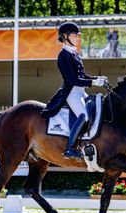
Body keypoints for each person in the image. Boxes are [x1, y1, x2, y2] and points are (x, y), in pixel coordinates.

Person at [41, 22, 108, 161]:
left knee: (95, 111)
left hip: (80, 91)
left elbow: (82, 76)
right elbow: (72, 80)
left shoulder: (74, 54)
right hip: (71, 92)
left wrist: (96, 78)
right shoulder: (63, 56)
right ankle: (70, 148)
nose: (77, 38)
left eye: (78, 35)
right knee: (83, 116)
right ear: (65, 37)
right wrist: (93, 82)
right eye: (74, 35)